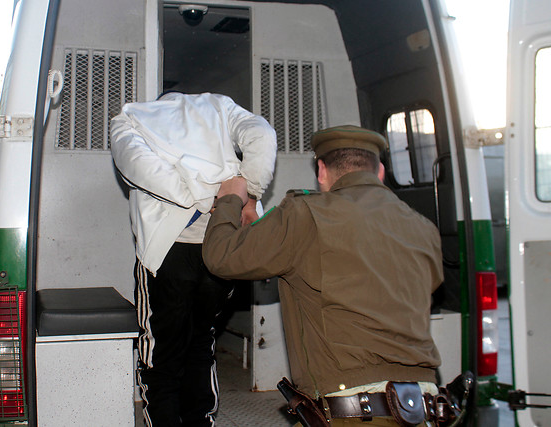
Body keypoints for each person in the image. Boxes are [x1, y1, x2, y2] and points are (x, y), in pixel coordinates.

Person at [202, 125, 444, 426]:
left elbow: (221, 257)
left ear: (321, 171)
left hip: (354, 413)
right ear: (379, 171)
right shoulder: (424, 228)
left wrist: (229, 199)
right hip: (426, 408)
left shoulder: (305, 214)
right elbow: (427, 284)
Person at [110, 91, 277, 427]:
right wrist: (247, 193)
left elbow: (142, 168)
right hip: (223, 242)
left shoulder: (129, 119)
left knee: (162, 352)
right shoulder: (219, 105)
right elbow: (263, 134)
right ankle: (201, 421)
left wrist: (200, 195)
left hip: (168, 250)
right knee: (202, 340)